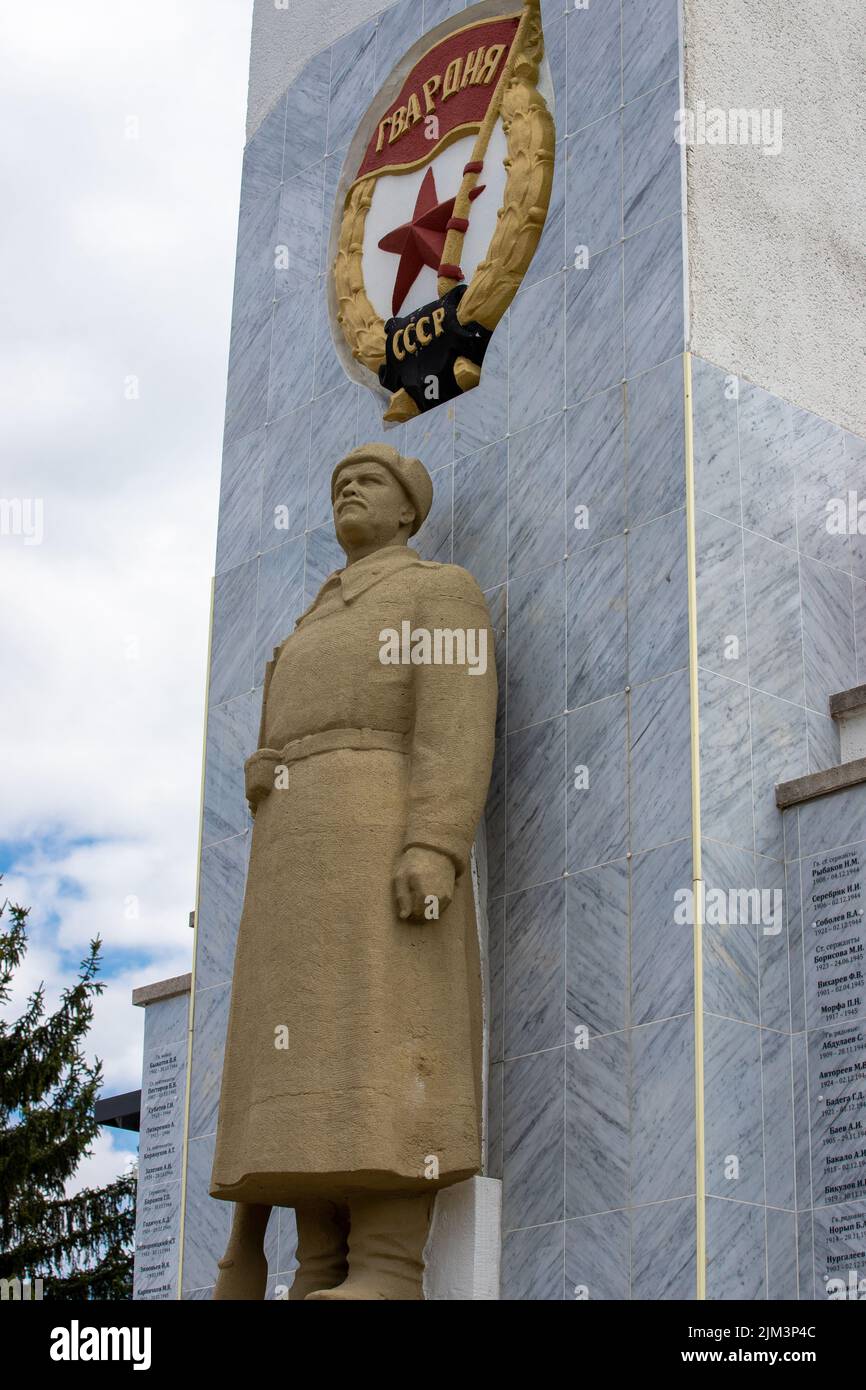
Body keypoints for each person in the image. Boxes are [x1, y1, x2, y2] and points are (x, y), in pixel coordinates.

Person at [211, 442, 497, 1300]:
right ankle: (319, 1268)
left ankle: (386, 1266)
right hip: (295, 860)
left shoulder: (437, 591)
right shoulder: (310, 619)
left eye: (368, 482)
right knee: (306, 1057)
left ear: (409, 510)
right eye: (339, 483)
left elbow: (457, 720)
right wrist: (266, 764)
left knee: (380, 1030)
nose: (348, 492)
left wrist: (434, 841)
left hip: (380, 839)